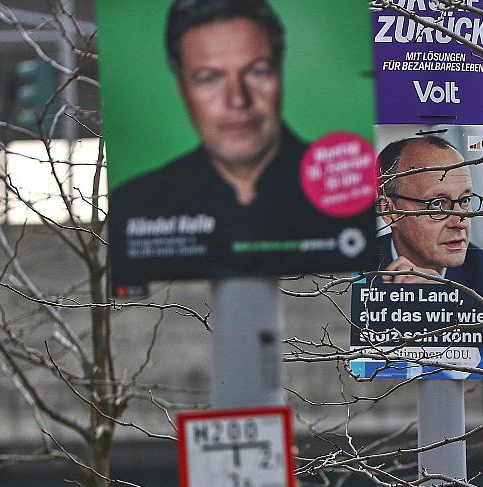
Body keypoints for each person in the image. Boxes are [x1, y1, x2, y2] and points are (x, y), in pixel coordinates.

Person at [108, 0, 327, 289]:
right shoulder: (136, 204)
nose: (238, 100)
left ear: (279, 73)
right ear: (183, 89)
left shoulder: (344, 192)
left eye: (256, 71)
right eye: (209, 78)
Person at [374, 135, 483, 375]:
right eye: (437, 205)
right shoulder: (358, 271)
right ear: (390, 210)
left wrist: (437, 308)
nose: (460, 221)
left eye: (464, 201)